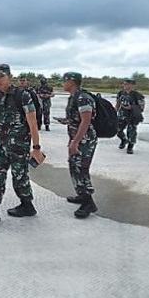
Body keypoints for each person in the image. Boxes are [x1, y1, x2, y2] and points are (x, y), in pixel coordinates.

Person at [0, 64, 44, 228]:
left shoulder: (23, 95)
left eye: (1, 76)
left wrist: (36, 148)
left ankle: (27, 205)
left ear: (10, 76)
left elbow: (32, 122)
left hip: (19, 147)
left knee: (19, 179)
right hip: (1, 145)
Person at [55, 72, 99, 218]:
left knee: (81, 168)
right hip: (76, 138)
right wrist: (66, 121)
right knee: (73, 166)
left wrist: (75, 142)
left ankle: (89, 203)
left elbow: (86, 121)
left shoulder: (83, 98)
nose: (63, 84)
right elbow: (77, 119)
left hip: (84, 140)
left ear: (72, 82)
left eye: (64, 81)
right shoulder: (73, 97)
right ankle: (81, 194)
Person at [115, 78, 146, 154]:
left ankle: (130, 146)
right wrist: (114, 112)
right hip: (122, 115)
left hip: (132, 116)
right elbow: (118, 103)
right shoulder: (121, 93)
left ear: (132, 85)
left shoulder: (137, 95)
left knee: (131, 132)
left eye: (127, 84)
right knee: (117, 130)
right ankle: (123, 140)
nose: (125, 85)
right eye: (124, 84)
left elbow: (142, 106)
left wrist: (132, 107)